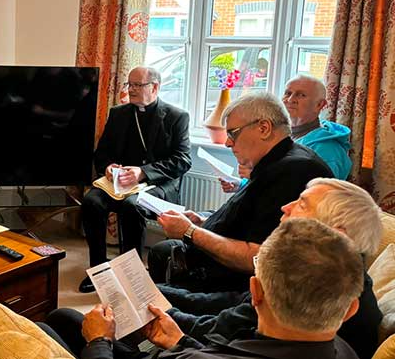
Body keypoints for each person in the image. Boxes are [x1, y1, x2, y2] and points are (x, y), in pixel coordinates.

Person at [43, 218, 363, 359]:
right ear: (350, 309)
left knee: (48, 327)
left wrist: (99, 342)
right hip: (184, 347)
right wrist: (180, 342)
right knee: (64, 317)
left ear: (255, 292)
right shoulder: (347, 351)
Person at [164, 178, 383, 359]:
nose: (285, 207)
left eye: (302, 204)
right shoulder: (340, 280)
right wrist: (162, 294)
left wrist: (175, 335)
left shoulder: (306, 289)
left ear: (335, 234)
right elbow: (229, 308)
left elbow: (218, 332)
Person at [147, 92, 333, 294]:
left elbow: (257, 257)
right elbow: (247, 217)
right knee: (160, 253)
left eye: (233, 133)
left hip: (234, 284)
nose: (227, 143)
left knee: (147, 295)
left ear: (264, 128)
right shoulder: (279, 160)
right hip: (218, 263)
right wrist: (201, 221)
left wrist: (190, 231)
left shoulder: (293, 171)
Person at [79, 66, 192, 293]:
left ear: (155, 87)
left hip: (156, 184)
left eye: (137, 85)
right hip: (120, 183)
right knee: (91, 201)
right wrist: (108, 167)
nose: (131, 90)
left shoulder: (177, 117)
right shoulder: (118, 113)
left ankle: (130, 272)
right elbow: (102, 153)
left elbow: (183, 160)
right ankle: (99, 270)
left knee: (132, 206)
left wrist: (143, 172)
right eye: (129, 84)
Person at [221, 74, 352, 193]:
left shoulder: (329, 150)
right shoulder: (279, 134)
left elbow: (309, 199)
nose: (291, 99)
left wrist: (257, 175)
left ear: (320, 105)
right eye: (288, 93)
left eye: (301, 95)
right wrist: (240, 185)